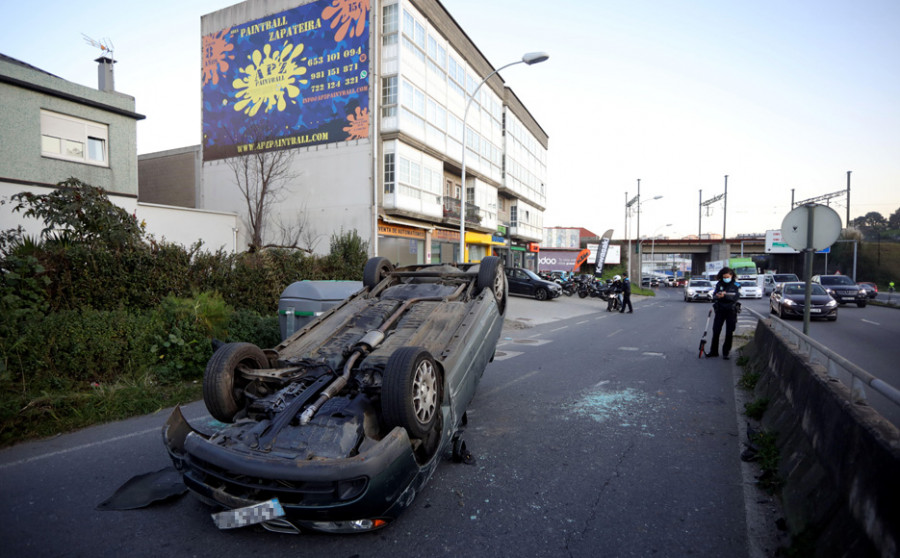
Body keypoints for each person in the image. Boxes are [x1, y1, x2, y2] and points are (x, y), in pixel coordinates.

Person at [706, 266, 741, 360]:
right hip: (720, 310)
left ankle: (726, 352)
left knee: (729, 332)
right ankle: (714, 351)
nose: (726, 279)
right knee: (716, 331)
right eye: (724, 277)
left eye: (727, 277)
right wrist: (717, 296)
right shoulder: (719, 284)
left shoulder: (736, 285)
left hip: (731, 311)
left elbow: (735, 297)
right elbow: (714, 296)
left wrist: (724, 296)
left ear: (731, 276)